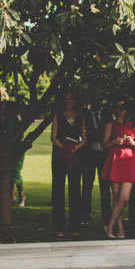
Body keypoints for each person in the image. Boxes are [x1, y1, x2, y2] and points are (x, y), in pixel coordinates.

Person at [101, 99, 135, 239]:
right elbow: (104, 144)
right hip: (116, 159)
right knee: (116, 195)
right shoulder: (111, 124)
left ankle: (110, 225)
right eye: (118, 107)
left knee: (124, 198)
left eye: (122, 107)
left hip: (129, 160)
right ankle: (119, 228)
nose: (120, 110)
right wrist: (114, 142)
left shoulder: (134, 125)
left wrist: (133, 142)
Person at [50, 91, 87, 235]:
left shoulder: (81, 116)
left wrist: (74, 148)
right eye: (66, 98)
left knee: (75, 189)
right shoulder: (58, 115)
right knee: (58, 189)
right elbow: (53, 137)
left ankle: (75, 226)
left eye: (71, 98)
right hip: (59, 155)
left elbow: (84, 138)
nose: (68, 101)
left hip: (75, 156)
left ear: (75, 100)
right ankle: (59, 226)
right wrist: (64, 148)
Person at [80, 93, 110, 225]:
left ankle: (107, 215)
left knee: (105, 186)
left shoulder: (107, 115)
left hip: (103, 155)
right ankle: (85, 215)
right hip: (88, 155)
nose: (98, 102)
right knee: (87, 185)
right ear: (90, 101)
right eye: (95, 99)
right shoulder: (84, 115)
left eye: (100, 99)